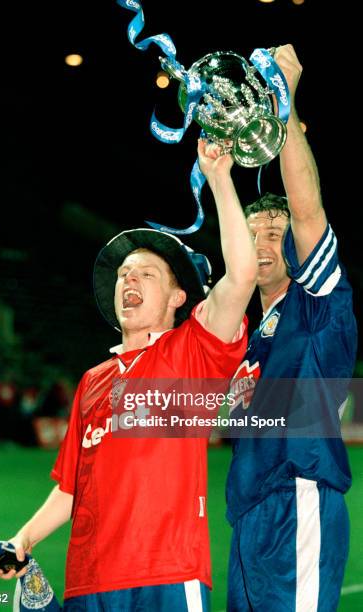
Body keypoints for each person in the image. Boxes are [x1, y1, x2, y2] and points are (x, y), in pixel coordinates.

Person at [0, 141, 257, 611]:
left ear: (178, 298)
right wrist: (23, 539)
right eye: (124, 275)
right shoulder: (92, 381)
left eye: (147, 275)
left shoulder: (191, 352)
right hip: (88, 581)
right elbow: (71, 489)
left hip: (167, 574)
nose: (129, 281)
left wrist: (218, 178)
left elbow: (242, 277)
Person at [225, 45, 357, 611]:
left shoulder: (318, 301)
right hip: (249, 510)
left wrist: (285, 107)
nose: (263, 243)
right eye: (254, 232)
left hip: (299, 495)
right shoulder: (250, 335)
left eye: (275, 233)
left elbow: (308, 211)